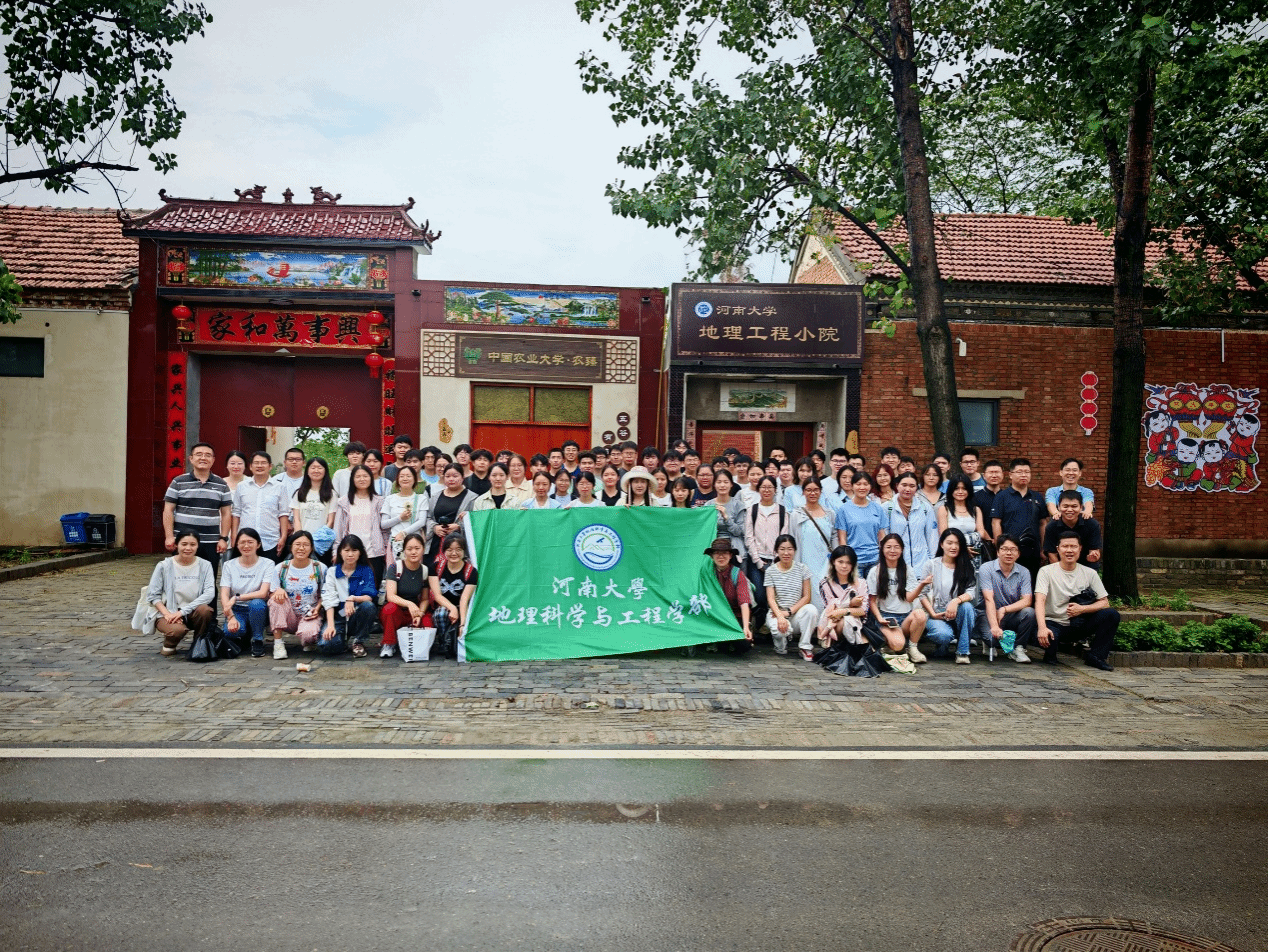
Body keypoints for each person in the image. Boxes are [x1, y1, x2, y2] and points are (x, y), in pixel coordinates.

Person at [1035, 531, 1120, 671]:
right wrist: (1042, 628)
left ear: (1080, 548)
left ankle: (1096, 656)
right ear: (1058, 549)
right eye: (1065, 546)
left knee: (1111, 614)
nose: (1069, 550)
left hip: (1079, 623)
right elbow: (1040, 601)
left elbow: (1104, 602)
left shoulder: (1090, 573)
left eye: (1073, 546)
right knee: (1049, 641)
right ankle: (1050, 654)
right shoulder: (1046, 571)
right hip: (1054, 623)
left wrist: (1082, 609)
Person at [162, 442, 232, 575]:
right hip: (183, 541)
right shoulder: (178, 482)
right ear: (191, 458)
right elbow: (168, 510)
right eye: (199, 454)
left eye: (208, 455)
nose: (203, 458)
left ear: (213, 460)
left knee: (208, 579)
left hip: (211, 542)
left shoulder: (222, 485)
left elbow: (226, 513)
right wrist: (169, 536)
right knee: (180, 578)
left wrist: (223, 538)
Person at [147, 529, 217, 656]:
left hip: (192, 611)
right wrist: (168, 614)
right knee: (176, 631)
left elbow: (209, 593)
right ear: (176, 545)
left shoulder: (205, 565)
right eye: (184, 544)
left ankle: (198, 644)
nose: (188, 548)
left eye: (192, 544)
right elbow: (153, 596)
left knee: (205, 610)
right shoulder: (163, 565)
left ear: (198, 546)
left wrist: (182, 612)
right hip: (168, 612)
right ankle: (170, 643)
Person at [866, 533, 929, 663]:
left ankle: (912, 648)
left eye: (896, 547)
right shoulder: (875, 571)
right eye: (888, 547)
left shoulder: (907, 570)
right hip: (886, 618)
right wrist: (880, 618)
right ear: (882, 549)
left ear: (902, 549)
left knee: (920, 614)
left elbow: (909, 598)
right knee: (898, 645)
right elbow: (872, 601)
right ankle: (892, 643)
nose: (892, 550)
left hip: (905, 618)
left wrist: (922, 585)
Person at [977, 534, 1038, 663]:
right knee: (993, 640)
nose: (1009, 553)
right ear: (998, 552)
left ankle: (1018, 648)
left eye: (1013, 549)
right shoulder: (986, 568)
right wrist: (994, 626)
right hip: (988, 613)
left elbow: (1027, 600)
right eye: (1004, 549)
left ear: (1018, 554)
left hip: (1010, 614)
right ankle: (988, 643)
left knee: (1029, 613)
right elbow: (988, 599)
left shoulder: (1024, 572)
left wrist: (1004, 609)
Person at [920, 528, 978, 663]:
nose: (953, 547)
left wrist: (956, 601)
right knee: (943, 635)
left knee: (967, 607)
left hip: (958, 612)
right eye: (949, 543)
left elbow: (971, 592)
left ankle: (962, 652)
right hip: (936, 613)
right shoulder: (931, 565)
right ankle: (943, 644)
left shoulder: (966, 565)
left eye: (957, 543)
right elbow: (922, 594)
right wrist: (933, 614)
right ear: (941, 544)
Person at [743, 475, 790, 634]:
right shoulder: (753, 510)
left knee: (776, 595)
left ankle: (771, 626)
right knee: (759, 595)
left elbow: (784, 537)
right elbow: (749, 537)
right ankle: (761, 624)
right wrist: (757, 560)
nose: (767, 490)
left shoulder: (782, 511)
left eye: (770, 487)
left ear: (775, 490)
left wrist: (778, 558)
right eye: (763, 487)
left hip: (776, 561)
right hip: (757, 560)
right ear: (759, 489)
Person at [219, 527, 276, 658]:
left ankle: (257, 639)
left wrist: (237, 597)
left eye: (250, 542)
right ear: (237, 545)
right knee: (230, 632)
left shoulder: (268, 564)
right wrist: (230, 617)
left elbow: (263, 593)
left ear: (258, 544)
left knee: (256, 603)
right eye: (242, 542)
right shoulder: (228, 565)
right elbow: (224, 594)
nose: (246, 546)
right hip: (237, 609)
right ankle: (245, 634)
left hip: (259, 609)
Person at [319, 534, 378, 658]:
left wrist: (352, 599)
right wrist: (330, 625)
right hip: (339, 615)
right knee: (326, 646)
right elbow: (328, 600)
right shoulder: (332, 572)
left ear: (360, 553)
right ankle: (342, 641)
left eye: (354, 550)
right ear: (340, 552)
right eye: (346, 550)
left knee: (368, 606)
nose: (350, 554)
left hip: (357, 612)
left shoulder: (366, 570)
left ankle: (359, 641)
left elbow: (369, 596)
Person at [991, 458, 1048, 584]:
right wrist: (1000, 548)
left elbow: (1043, 523)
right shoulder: (1002, 496)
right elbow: (996, 523)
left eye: (1027, 472)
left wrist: (1043, 548)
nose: (1024, 475)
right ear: (1010, 475)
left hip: (1033, 551)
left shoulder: (1037, 497)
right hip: (1009, 551)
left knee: (1032, 584)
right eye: (1020, 472)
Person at [268, 530, 324, 658]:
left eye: (306, 545)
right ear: (291, 547)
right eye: (297, 544)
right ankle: (278, 644)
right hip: (288, 615)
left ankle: (308, 639)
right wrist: (278, 591)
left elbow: (325, 594)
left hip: (310, 614)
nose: (301, 548)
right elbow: (270, 594)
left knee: (308, 635)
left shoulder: (320, 568)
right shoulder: (281, 568)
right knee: (275, 601)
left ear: (311, 548)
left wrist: (318, 608)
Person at [764, 534, 820, 660]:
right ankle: (780, 644)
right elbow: (770, 598)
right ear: (776, 551)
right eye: (782, 549)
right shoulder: (770, 571)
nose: (786, 553)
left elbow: (807, 597)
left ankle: (805, 646)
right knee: (779, 636)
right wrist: (780, 615)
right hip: (776, 613)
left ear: (794, 550)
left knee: (811, 610)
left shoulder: (802, 569)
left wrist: (789, 612)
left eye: (789, 549)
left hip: (795, 614)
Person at [333, 464, 388, 589]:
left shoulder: (379, 501)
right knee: (350, 590)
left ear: (371, 478)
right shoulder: (344, 502)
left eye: (365, 476)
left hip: (374, 553)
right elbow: (338, 529)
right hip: (350, 554)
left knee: (372, 590)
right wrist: (335, 551)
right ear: (352, 480)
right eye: (358, 476)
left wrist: (385, 549)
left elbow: (384, 529)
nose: (362, 479)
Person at [379, 532, 431, 658]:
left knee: (428, 621)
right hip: (397, 611)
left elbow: (425, 599)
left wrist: (420, 613)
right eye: (409, 549)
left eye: (417, 548)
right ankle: (389, 643)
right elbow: (391, 596)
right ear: (404, 550)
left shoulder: (424, 570)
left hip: (414, 612)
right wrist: (409, 604)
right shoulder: (395, 567)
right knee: (390, 609)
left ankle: (422, 646)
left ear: (423, 549)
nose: (413, 552)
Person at [231, 451, 290, 558]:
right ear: (250, 466)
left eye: (263, 463)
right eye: (256, 463)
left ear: (270, 466)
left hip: (271, 541)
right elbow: (236, 513)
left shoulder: (280, 487)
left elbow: (283, 514)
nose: (259, 466)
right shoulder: (241, 486)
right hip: (245, 541)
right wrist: (234, 535)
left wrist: (283, 536)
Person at [430, 534, 478, 661]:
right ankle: (443, 641)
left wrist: (462, 624)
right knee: (440, 614)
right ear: (444, 551)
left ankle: (458, 641)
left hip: (463, 608)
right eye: (450, 550)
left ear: (464, 551)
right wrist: (452, 608)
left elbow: (464, 599)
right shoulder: (436, 567)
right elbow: (437, 595)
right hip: (444, 606)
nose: (454, 553)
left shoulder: (471, 571)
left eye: (458, 549)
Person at [790, 478, 835, 611]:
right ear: (803, 492)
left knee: (826, 592)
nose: (812, 493)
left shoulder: (830, 514)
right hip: (805, 561)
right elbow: (792, 539)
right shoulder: (796, 514)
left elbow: (834, 536)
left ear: (821, 491)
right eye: (808, 490)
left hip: (826, 561)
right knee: (809, 592)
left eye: (816, 490)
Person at [833, 471, 886, 583]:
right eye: (858, 484)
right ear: (852, 486)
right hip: (854, 561)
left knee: (875, 592)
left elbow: (882, 536)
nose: (862, 487)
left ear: (870, 486)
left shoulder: (877, 508)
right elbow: (842, 538)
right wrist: (846, 560)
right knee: (856, 592)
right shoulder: (844, 510)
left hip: (875, 560)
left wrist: (883, 558)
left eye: (865, 484)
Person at [703, 536, 753, 652]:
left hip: (734, 617)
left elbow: (744, 602)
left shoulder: (737, 574)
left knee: (744, 645)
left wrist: (746, 627)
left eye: (724, 553)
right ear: (711, 556)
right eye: (717, 553)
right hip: (715, 617)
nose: (721, 556)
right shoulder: (707, 573)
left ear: (730, 555)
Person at [887, 472, 938, 574]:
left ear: (916, 488)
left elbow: (932, 537)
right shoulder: (887, 508)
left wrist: (932, 562)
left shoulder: (925, 508)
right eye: (904, 485)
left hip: (922, 565)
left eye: (912, 486)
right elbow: (884, 537)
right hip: (896, 565)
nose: (907, 489)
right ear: (897, 486)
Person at [290, 457, 337, 562]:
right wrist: (302, 539)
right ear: (307, 471)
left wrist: (316, 540)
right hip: (301, 544)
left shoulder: (332, 494)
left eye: (319, 468)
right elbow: (296, 519)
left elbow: (330, 521)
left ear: (325, 471)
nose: (316, 470)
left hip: (322, 544)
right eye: (313, 468)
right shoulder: (299, 493)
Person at [1042, 490, 1103, 568]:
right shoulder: (1052, 526)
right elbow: (1052, 555)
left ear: (1081, 507)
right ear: (1059, 507)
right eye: (1065, 506)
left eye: (1074, 506)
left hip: (1086, 567)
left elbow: (1095, 550)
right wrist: (1060, 572)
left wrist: (1093, 556)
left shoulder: (1092, 524)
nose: (1070, 510)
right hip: (1060, 568)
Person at [425, 464, 476, 558]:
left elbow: (475, 522)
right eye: (447, 476)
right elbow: (427, 517)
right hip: (435, 543)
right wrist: (434, 527)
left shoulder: (472, 498)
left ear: (462, 477)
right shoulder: (435, 497)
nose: (451, 479)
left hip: (459, 545)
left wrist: (459, 527)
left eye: (455, 476)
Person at [937, 474, 987, 567]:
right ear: (951, 490)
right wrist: (963, 547)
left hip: (973, 555)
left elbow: (981, 533)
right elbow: (944, 534)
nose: (960, 492)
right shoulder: (944, 509)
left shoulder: (976, 510)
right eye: (956, 488)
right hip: (952, 555)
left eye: (964, 489)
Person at [383, 465, 428, 560]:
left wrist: (404, 533)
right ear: (397, 480)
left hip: (415, 544)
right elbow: (383, 524)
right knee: (397, 568)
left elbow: (422, 522)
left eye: (408, 476)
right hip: (396, 542)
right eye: (402, 476)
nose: (405, 478)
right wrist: (400, 518)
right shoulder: (389, 499)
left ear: (414, 479)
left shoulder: (421, 499)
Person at [709, 468, 747, 560]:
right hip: (714, 548)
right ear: (714, 484)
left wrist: (727, 518)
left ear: (731, 484)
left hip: (734, 548)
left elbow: (739, 532)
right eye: (719, 482)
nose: (722, 485)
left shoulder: (738, 505)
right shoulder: (708, 505)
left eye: (726, 482)